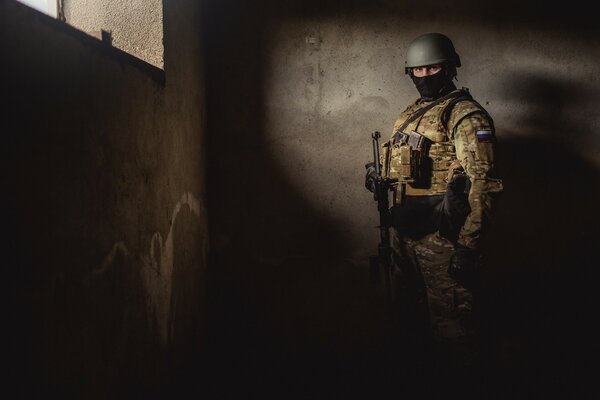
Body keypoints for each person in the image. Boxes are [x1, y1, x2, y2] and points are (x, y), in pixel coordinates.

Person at [365, 32, 503, 374]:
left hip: (441, 236)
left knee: (453, 330)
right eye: (418, 70)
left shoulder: (465, 115)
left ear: (450, 67)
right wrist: (377, 175)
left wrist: (468, 246)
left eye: (433, 68)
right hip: (404, 233)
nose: (425, 76)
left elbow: (483, 183)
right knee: (408, 326)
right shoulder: (410, 114)